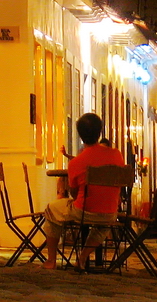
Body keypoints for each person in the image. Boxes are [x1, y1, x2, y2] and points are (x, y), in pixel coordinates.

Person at [42, 113, 125, 270]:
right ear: (100, 133)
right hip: (110, 212)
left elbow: (74, 192)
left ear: (80, 135)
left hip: (84, 210)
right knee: (103, 224)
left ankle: (51, 260)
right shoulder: (117, 155)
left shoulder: (77, 162)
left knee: (52, 209)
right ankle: (82, 257)